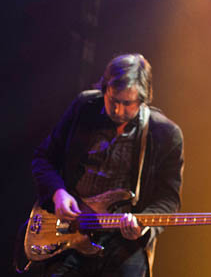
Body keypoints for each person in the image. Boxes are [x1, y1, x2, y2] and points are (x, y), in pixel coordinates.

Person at [31, 54, 184, 276]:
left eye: (128, 104)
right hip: (69, 229)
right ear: (105, 90)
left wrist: (142, 225)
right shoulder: (84, 107)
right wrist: (58, 193)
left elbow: (169, 199)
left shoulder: (165, 134)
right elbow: (43, 158)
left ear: (143, 100)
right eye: (113, 100)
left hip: (123, 242)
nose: (118, 111)